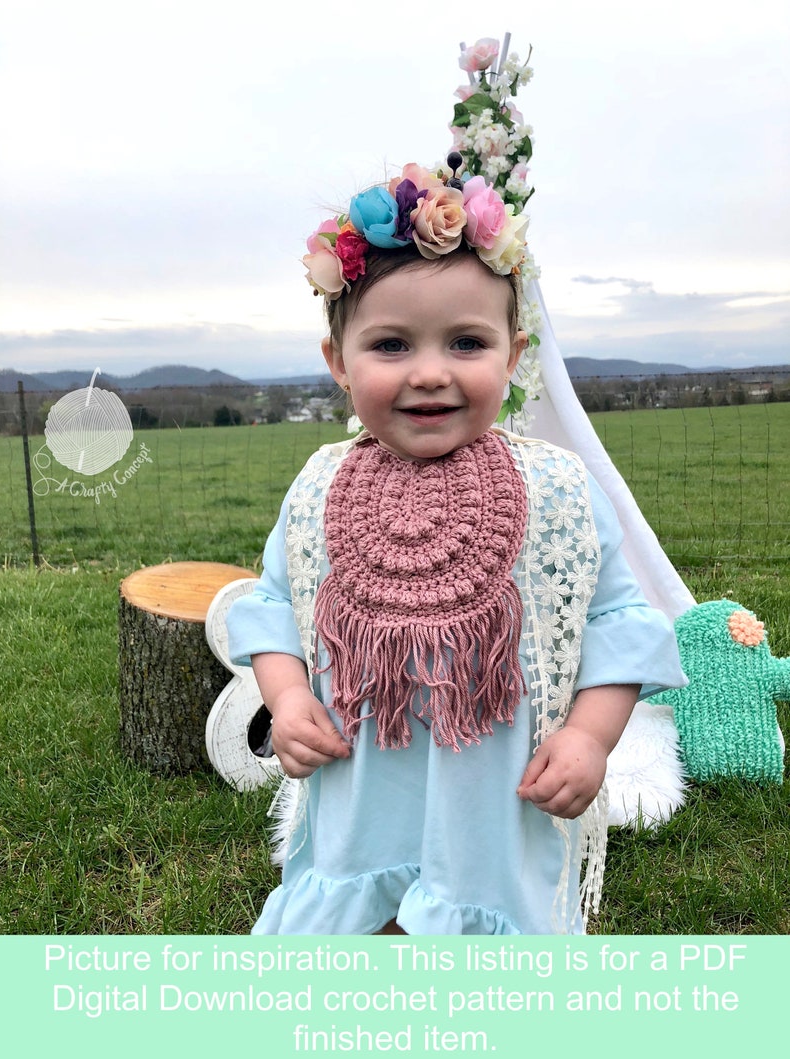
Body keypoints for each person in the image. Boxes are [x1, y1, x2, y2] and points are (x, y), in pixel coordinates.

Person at [227, 36, 686, 935]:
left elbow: (619, 623)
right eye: (391, 345)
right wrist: (286, 699)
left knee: (482, 961)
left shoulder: (556, 490)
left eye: (466, 344)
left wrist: (590, 736)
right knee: (354, 950)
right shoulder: (320, 487)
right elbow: (273, 604)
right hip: (362, 796)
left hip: (494, 801)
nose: (430, 373)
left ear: (515, 357)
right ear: (338, 360)